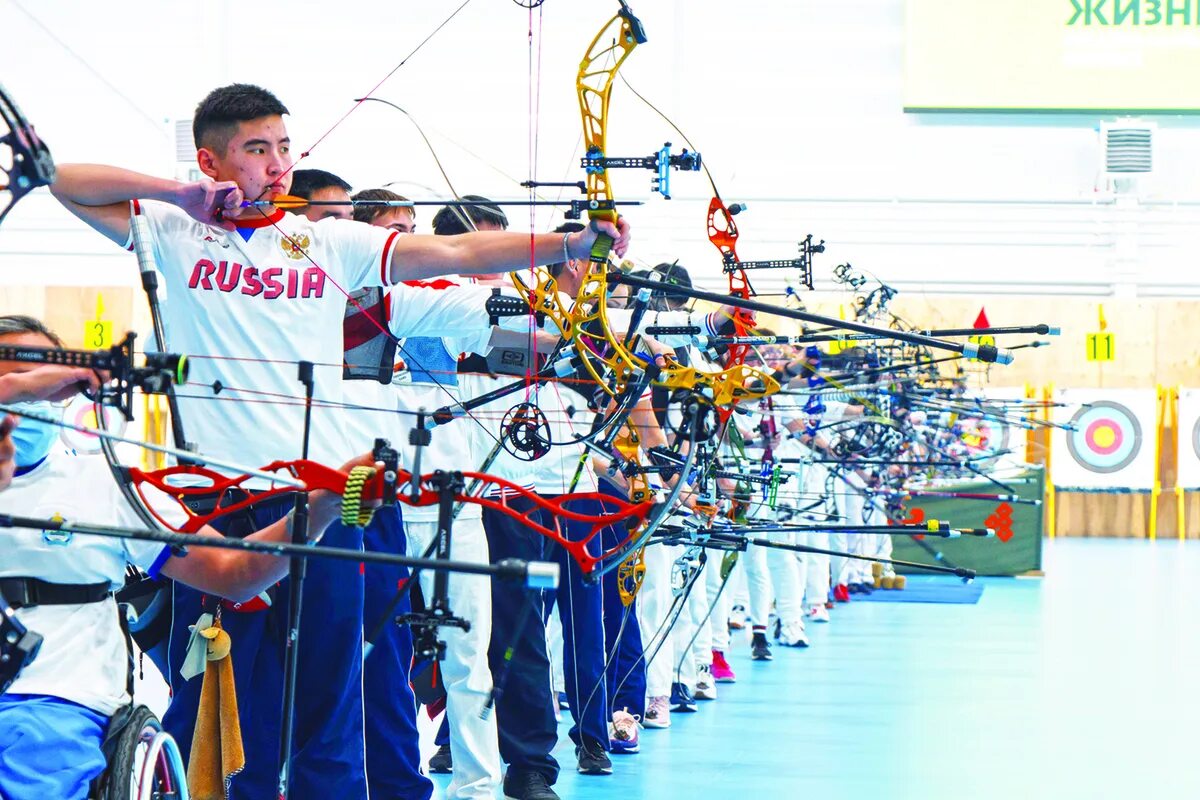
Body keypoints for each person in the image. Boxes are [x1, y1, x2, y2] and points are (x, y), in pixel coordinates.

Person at [48, 82, 631, 800]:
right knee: (220, 709)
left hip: (322, 503)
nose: (277, 165)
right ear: (212, 159)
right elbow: (62, 180)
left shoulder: (326, 242)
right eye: (256, 150)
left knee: (332, 705)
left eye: (285, 148)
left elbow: (452, 248)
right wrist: (185, 194)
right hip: (218, 505)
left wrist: (569, 243)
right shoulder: (170, 229)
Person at [0, 314, 363, 800]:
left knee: (35, 761)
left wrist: (321, 508)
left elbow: (235, 574)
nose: (24, 397)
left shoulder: (107, 484)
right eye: (13, 378)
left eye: (37, 379)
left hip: (54, 701)